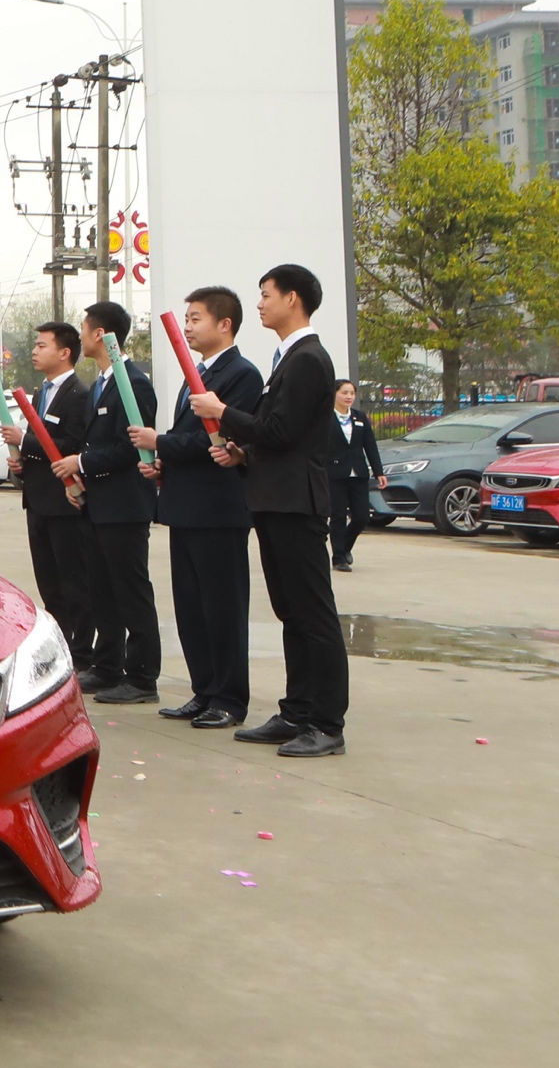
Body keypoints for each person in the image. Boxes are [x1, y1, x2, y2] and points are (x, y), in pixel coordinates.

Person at [190, 264, 349, 758]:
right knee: (291, 612)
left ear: (292, 299)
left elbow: (281, 431)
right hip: (276, 499)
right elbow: (280, 437)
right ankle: (297, 711)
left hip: (297, 503)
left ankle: (327, 723)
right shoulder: (289, 358)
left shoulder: (308, 358)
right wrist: (243, 455)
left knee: (313, 614)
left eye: (266, 294)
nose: (259, 304)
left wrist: (222, 413)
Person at [132, 286, 264, 729]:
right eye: (186, 319)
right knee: (192, 607)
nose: (187, 327)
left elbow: (221, 442)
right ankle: (204, 690)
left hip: (218, 510)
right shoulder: (198, 373)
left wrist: (160, 442)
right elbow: (190, 440)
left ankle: (229, 698)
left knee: (222, 607)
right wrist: (163, 463)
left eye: (196, 319)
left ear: (224, 324)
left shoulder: (241, 375)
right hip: (185, 506)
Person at [59, 301, 160, 703]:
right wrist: (80, 478)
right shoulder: (100, 383)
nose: (80, 335)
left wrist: (81, 462)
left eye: (84, 328)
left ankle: (142, 677)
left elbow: (130, 447)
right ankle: (107, 666)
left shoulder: (133, 383)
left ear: (100, 334)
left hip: (124, 506)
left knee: (130, 591)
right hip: (96, 504)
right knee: (101, 590)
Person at [17, 321, 95, 669]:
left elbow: (70, 444)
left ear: (64, 353)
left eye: (42, 345)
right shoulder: (41, 393)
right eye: (35, 345)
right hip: (36, 500)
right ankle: (60, 647)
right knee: (49, 583)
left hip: (64, 502)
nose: (35, 351)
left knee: (73, 582)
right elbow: (40, 446)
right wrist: (21, 462)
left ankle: (82, 651)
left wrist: (24, 441)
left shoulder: (79, 394)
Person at [329, 379, 383, 572]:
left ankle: (344, 546)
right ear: (334, 394)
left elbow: (370, 445)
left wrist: (378, 471)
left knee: (361, 517)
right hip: (335, 474)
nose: (349, 397)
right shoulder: (325, 418)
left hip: (358, 473)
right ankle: (338, 558)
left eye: (352, 393)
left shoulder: (359, 417)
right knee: (338, 516)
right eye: (344, 393)